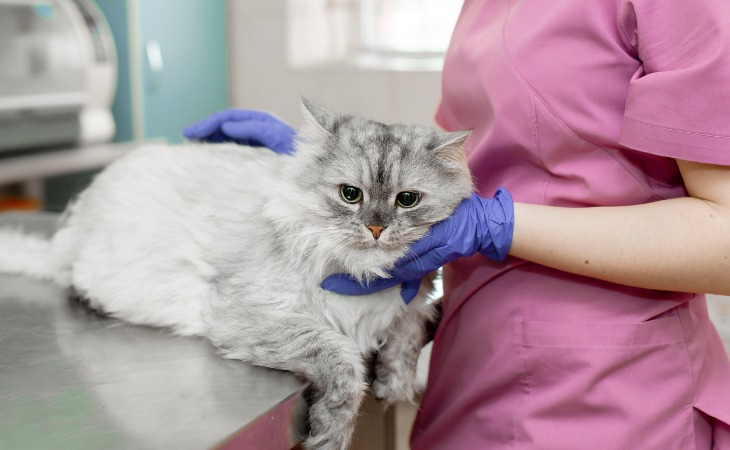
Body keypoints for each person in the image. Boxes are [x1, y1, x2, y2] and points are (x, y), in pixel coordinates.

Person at [184, 1, 730, 447]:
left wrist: (499, 225)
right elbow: (473, 149)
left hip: (607, 395)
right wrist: (328, 162)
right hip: (473, 358)